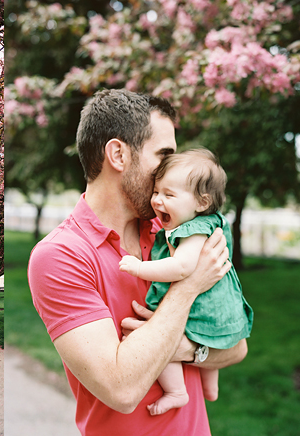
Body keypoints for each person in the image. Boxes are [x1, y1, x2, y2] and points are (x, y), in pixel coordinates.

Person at [27, 89, 248, 436]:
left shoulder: (176, 230)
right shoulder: (61, 256)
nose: (173, 170)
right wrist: (188, 285)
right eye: (164, 156)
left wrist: (188, 349)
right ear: (118, 154)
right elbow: (122, 389)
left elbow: (236, 345)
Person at [118, 148, 253, 416]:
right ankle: (211, 386)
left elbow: (181, 267)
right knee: (206, 341)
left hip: (201, 311)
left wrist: (139, 267)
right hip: (218, 310)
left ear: (202, 203)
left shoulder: (191, 231)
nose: (157, 201)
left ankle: (176, 391)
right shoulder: (205, 222)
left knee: (163, 336)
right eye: (156, 192)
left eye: (169, 195)